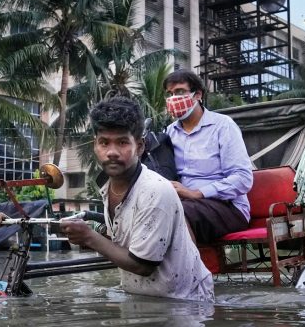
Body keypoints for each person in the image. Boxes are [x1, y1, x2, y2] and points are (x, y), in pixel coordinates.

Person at [59, 96, 214, 302]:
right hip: (145, 299)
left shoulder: (155, 190)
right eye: (104, 142)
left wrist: (89, 237)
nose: (112, 152)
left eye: (122, 142)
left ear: (139, 147)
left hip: (185, 303)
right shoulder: (107, 186)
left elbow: (143, 265)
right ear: (95, 145)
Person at [163, 70, 253, 244]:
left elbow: (243, 178)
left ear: (198, 94)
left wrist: (197, 193)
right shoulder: (168, 133)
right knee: (157, 210)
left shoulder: (223, 126)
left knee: (176, 212)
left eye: (180, 92)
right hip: (184, 203)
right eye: (170, 94)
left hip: (228, 207)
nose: (174, 98)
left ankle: (190, 269)